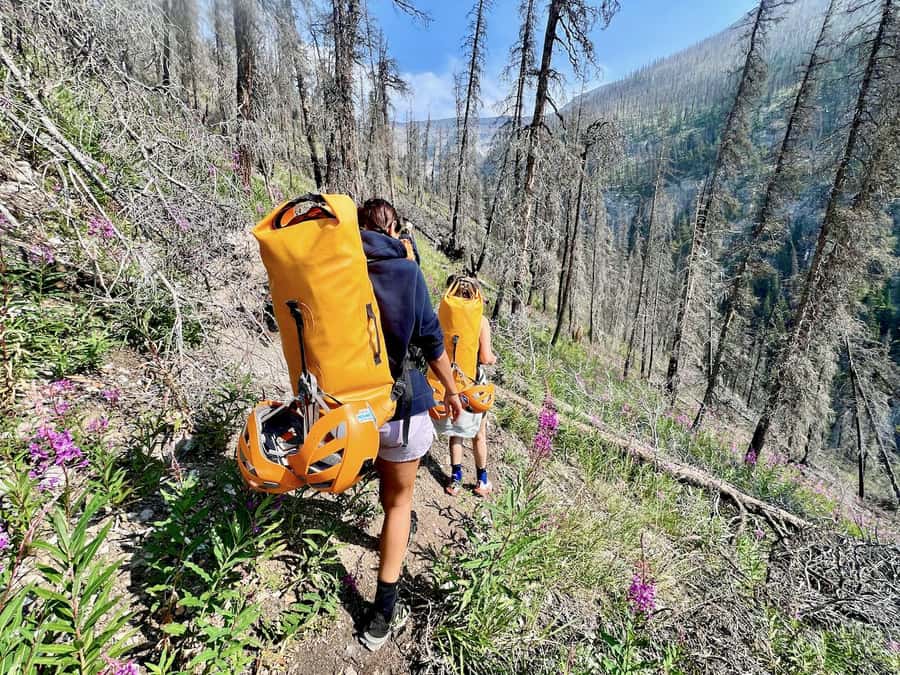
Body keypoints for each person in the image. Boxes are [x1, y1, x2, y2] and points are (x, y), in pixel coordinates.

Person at [357, 198, 463, 651]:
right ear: (395, 229)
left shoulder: (340, 268)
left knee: (387, 489)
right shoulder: (406, 272)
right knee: (399, 505)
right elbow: (432, 341)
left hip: (346, 414)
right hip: (400, 410)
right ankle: (383, 613)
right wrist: (454, 391)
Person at [433, 275, 498, 497]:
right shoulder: (481, 321)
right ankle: (482, 480)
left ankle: (456, 479)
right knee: (479, 434)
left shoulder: (443, 314)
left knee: (456, 432)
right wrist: (492, 359)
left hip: (448, 382)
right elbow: (487, 357)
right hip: (472, 384)